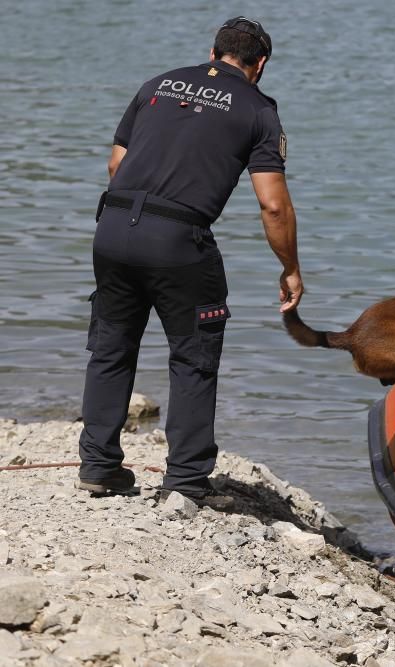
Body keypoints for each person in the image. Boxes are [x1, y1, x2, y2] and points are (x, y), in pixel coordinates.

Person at [77, 17, 303, 499]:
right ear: (259, 65)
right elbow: (273, 203)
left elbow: (116, 163)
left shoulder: (158, 84)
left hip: (113, 226)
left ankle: (98, 467)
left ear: (213, 50)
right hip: (179, 239)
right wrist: (290, 268)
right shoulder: (259, 109)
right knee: (194, 357)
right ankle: (184, 481)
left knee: (112, 345)